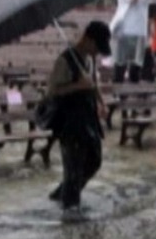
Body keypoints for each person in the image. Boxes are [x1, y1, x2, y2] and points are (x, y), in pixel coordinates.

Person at [47, 21, 111, 210]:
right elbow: (52, 92)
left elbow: (93, 84)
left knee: (94, 161)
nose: (97, 53)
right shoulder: (65, 61)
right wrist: (77, 86)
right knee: (73, 169)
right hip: (70, 124)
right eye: (96, 47)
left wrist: (101, 102)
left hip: (88, 121)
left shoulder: (89, 61)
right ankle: (70, 210)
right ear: (88, 39)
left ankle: (62, 195)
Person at [109, 0, 156, 83]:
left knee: (137, 65)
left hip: (140, 32)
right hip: (125, 31)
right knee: (120, 65)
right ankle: (118, 92)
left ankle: (133, 91)